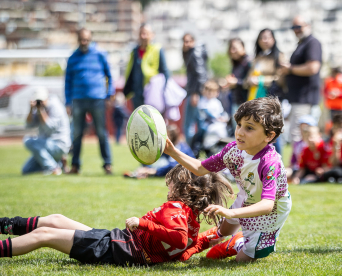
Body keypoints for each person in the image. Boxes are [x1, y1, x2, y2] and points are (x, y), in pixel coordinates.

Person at [0, 165, 234, 265]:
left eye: (172, 183)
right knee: (57, 220)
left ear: (183, 187)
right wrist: (217, 234)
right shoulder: (190, 219)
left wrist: (143, 224)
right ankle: (5, 225)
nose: (168, 186)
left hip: (113, 250)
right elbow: (189, 244)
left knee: (46, 234)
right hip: (116, 241)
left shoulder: (175, 210)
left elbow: (180, 240)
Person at [164, 97, 291, 262]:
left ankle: (238, 242)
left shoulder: (269, 162)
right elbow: (200, 168)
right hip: (247, 196)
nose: (240, 132)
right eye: (239, 125)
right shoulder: (233, 150)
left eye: (249, 128)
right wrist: (173, 152)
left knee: (243, 259)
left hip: (271, 212)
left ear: (269, 135)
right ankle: (211, 240)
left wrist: (232, 212)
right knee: (224, 229)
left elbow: (267, 205)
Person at [65, 28, 114, 175]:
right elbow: (67, 81)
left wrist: (109, 95)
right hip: (78, 99)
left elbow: (109, 76)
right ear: (78, 39)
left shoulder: (100, 54)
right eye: (81, 40)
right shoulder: (73, 57)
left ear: (90, 39)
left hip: (98, 99)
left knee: (101, 133)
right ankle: (75, 165)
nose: (84, 42)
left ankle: (107, 164)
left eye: (86, 39)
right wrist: (68, 102)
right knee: (77, 133)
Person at [280, 15, 322, 143]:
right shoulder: (302, 44)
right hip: (298, 98)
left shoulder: (312, 42)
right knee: (298, 135)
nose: (295, 30)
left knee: (298, 135)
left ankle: (300, 163)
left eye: (298, 26)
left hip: (305, 98)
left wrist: (290, 69)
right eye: (293, 27)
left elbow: (313, 67)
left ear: (308, 26)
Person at [22, 87, 71, 175]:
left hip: (59, 145)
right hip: (45, 145)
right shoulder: (38, 108)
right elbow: (28, 125)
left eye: (41, 101)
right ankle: (59, 163)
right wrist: (31, 109)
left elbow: (50, 128)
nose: (40, 103)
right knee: (27, 170)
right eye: (37, 101)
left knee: (28, 141)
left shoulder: (56, 107)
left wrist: (41, 111)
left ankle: (53, 168)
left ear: (47, 98)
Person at [123, 23, 169, 109]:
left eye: (146, 33)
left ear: (152, 35)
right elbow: (131, 71)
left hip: (153, 93)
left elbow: (165, 72)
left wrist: (163, 92)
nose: (143, 36)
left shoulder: (157, 49)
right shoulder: (135, 51)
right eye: (141, 33)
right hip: (137, 94)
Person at [123, 124, 194, 179]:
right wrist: (147, 167)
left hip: (187, 171)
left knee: (162, 163)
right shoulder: (166, 146)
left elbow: (173, 166)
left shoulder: (180, 148)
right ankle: (140, 173)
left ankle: (144, 173)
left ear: (172, 137)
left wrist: (154, 171)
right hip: (166, 166)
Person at [182, 33, 208, 144]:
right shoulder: (194, 52)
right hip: (197, 91)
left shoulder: (195, 53)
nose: (186, 44)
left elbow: (199, 74)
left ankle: (191, 149)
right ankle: (199, 146)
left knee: (188, 124)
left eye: (188, 41)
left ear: (193, 41)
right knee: (200, 121)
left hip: (194, 92)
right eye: (184, 41)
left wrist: (195, 93)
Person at [192, 79, 229, 157]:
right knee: (200, 133)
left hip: (218, 124)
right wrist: (217, 118)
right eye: (208, 90)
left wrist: (224, 118)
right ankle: (197, 149)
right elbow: (206, 112)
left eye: (212, 91)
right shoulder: (203, 101)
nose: (209, 93)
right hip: (206, 124)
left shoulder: (216, 102)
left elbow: (221, 112)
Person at [224, 38, 251, 130]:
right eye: (231, 48)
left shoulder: (248, 62)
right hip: (236, 102)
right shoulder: (236, 64)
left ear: (243, 48)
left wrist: (236, 82)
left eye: (235, 48)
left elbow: (251, 82)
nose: (232, 51)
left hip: (247, 103)